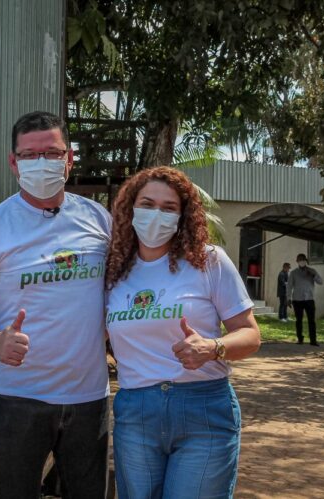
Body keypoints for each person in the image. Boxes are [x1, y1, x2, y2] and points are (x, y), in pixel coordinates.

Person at [0, 111, 111, 499]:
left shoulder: (100, 220)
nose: (42, 163)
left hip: (88, 398)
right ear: (13, 162)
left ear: (69, 159)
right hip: (18, 399)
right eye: (30, 155)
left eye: (52, 153)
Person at [104, 166, 261, 498]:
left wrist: (213, 347)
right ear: (130, 209)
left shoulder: (209, 261)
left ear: (183, 216)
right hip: (136, 412)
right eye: (147, 204)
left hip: (203, 409)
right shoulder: (115, 270)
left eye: (168, 208)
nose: (156, 214)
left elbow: (250, 335)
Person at [287, 253, 323, 346]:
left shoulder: (312, 271)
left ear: (306, 260)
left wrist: (313, 275)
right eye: (300, 259)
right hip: (297, 299)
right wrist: (288, 298)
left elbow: (320, 282)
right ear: (297, 261)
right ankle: (300, 339)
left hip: (309, 299)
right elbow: (289, 286)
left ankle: (313, 340)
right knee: (299, 320)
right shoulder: (294, 273)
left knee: (312, 320)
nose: (301, 261)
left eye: (303, 259)